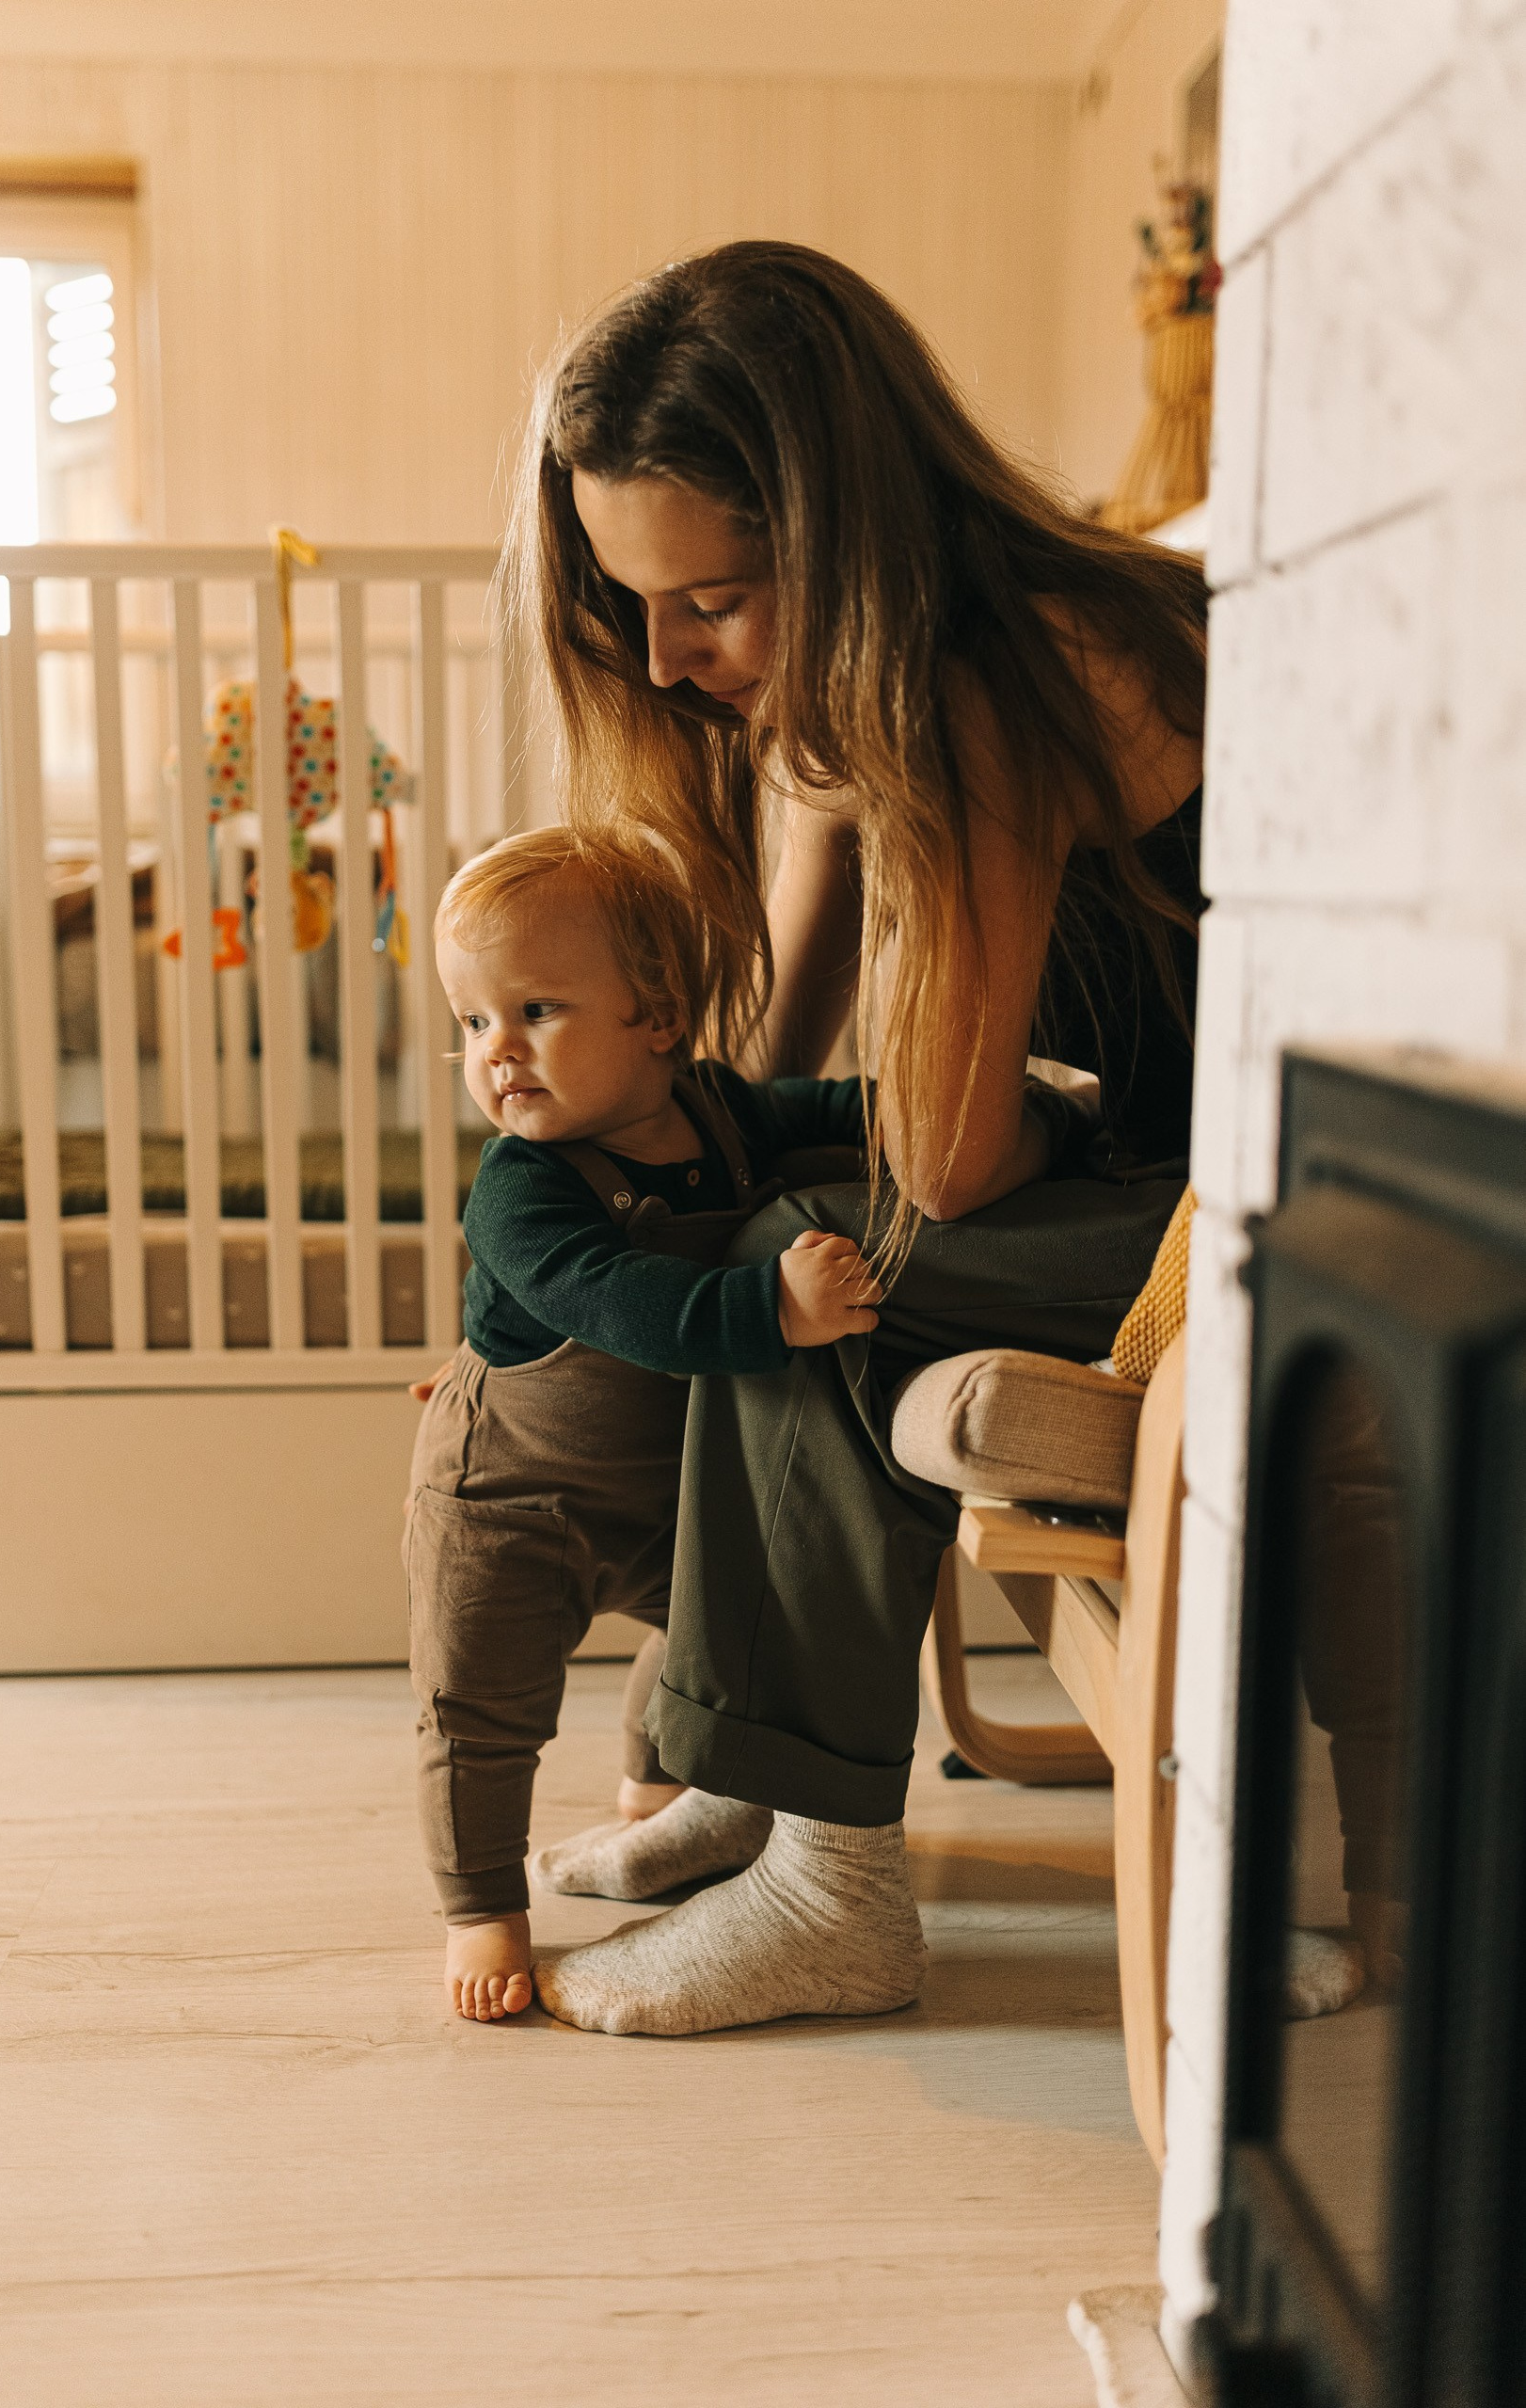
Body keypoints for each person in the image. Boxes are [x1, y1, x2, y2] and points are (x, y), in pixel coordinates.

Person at [504, 239, 1208, 2037]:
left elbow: (952, 1166)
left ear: (846, 540)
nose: (664, 659)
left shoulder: (998, 677)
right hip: (1152, 1176)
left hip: (1248, 1211)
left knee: (810, 1259)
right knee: (776, 1222)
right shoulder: (894, 669)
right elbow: (779, 1061)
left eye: (714, 599)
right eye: (634, 600)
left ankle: (830, 1880)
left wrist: (731, 1223)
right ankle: (746, 1776)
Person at [406, 825, 878, 2021]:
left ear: (658, 1017)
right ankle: (481, 1907)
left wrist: (923, 1104)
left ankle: (651, 1798)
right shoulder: (521, 1187)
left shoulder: (713, 1113)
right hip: (511, 1494)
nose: (497, 1053)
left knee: (716, 1625)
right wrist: (772, 1304)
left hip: (662, 1483)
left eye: (536, 1011)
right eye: (472, 1025)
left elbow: (820, 1106)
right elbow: (627, 1305)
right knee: (480, 1703)